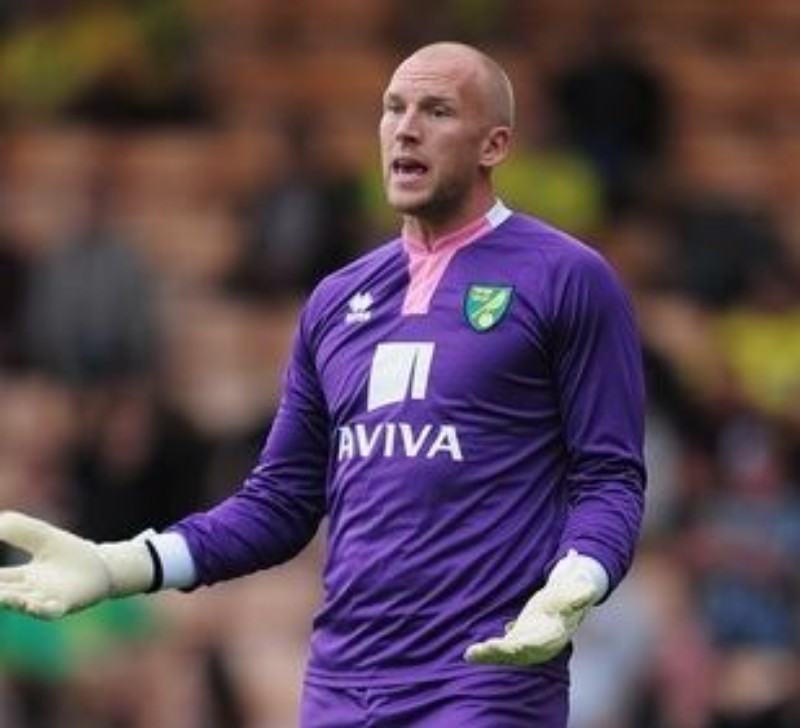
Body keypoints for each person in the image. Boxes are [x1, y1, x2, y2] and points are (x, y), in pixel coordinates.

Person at [0, 42, 646, 727]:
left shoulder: (568, 278)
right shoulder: (338, 301)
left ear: (494, 144)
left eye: (436, 110)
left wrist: (581, 575)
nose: (406, 127)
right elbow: (279, 503)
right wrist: (119, 565)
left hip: (486, 680)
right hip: (343, 684)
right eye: (393, 109)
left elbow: (609, 475)